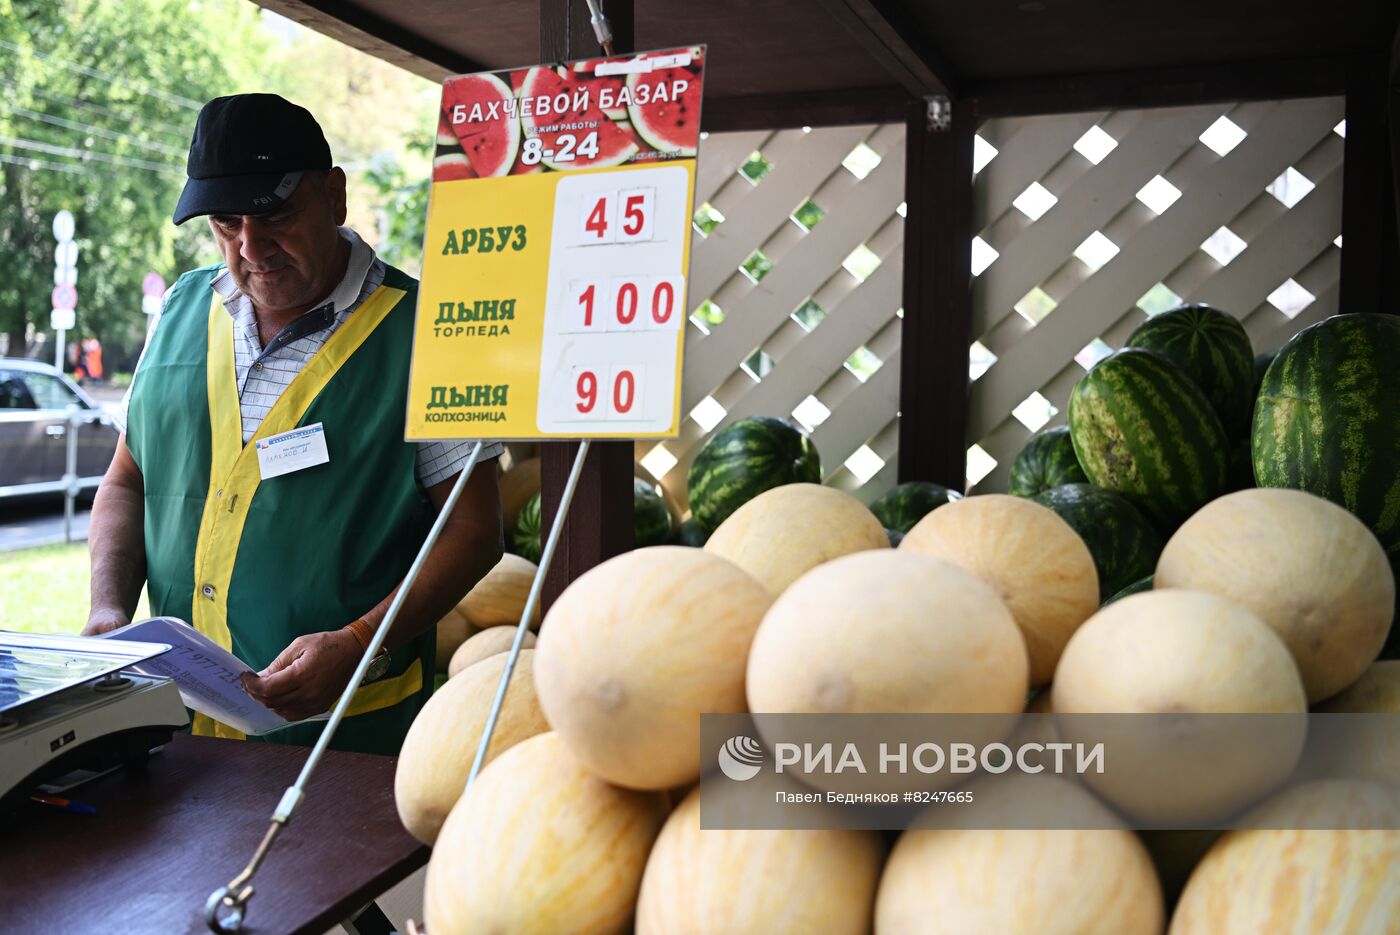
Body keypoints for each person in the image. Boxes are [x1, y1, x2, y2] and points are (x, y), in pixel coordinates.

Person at [83, 94, 504, 755]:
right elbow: (126, 483)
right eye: (226, 222)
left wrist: (363, 641)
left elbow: (475, 532)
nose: (251, 246)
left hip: (346, 744)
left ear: (333, 196)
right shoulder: (180, 308)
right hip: (176, 738)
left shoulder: (427, 331)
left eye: (275, 213)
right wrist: (108, 608)